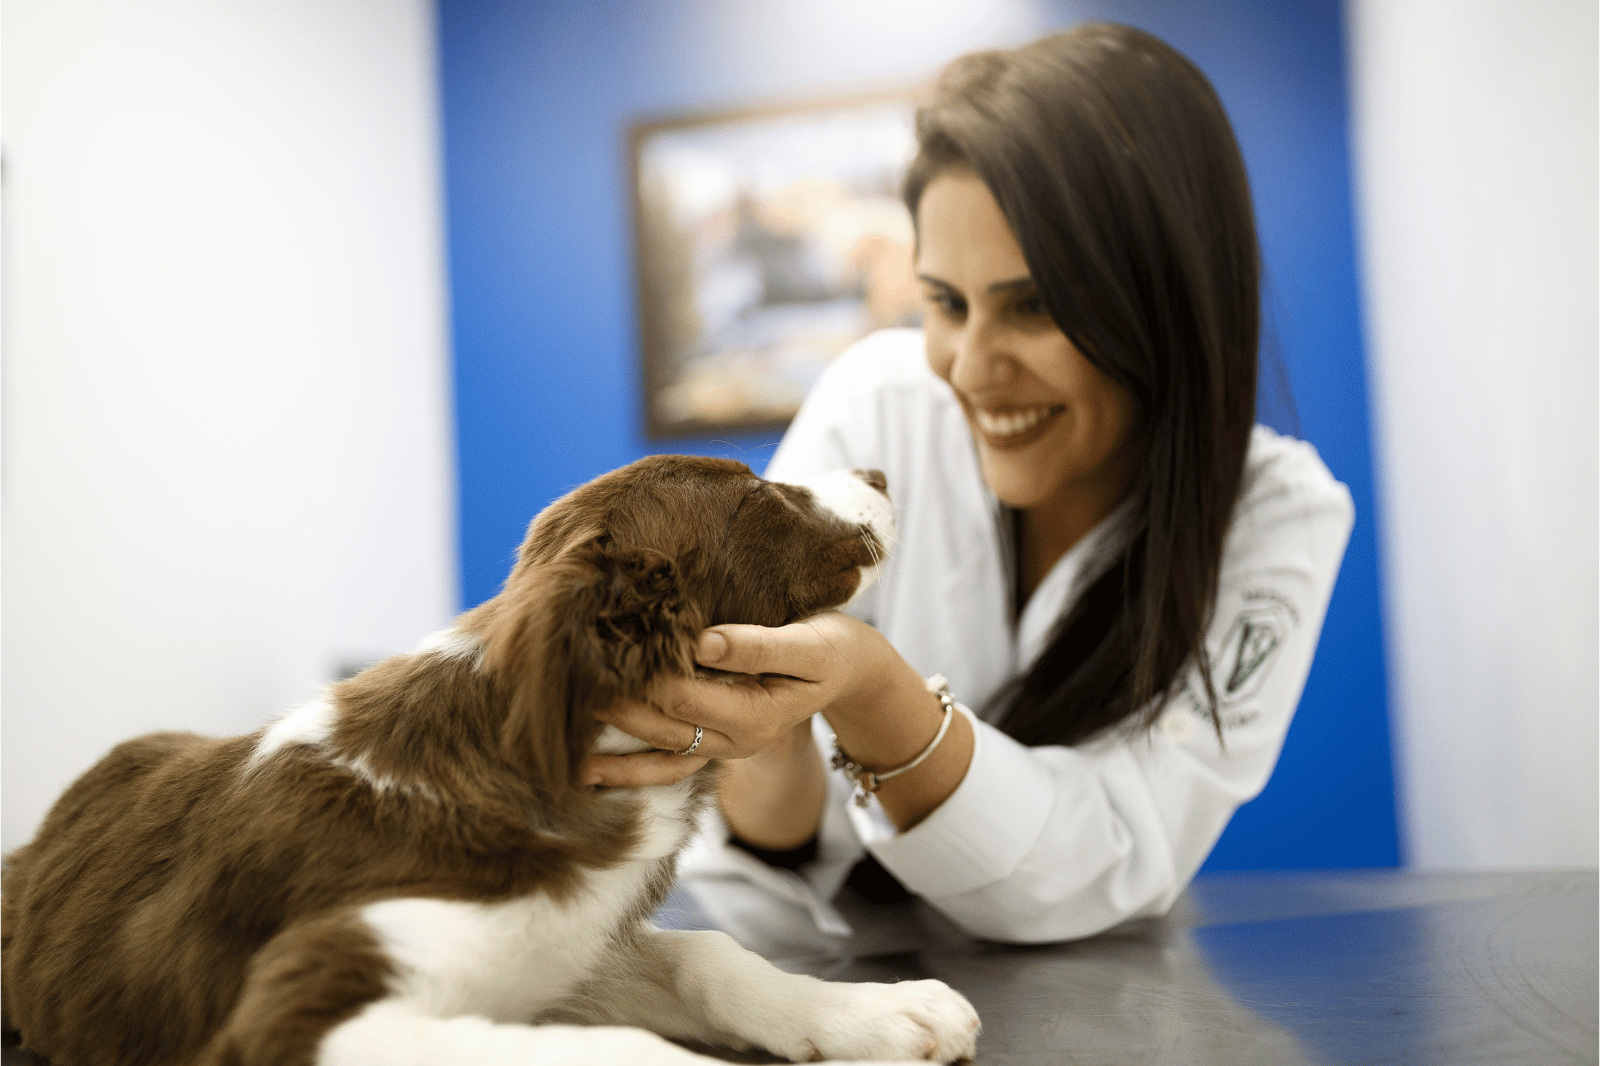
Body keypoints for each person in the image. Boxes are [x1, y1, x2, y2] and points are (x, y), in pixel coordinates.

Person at [584, 23, 1354, 944]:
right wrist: (765, 728)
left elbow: (1113, 851)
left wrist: (872, 690)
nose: (972, 367)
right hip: (813, 968)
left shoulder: (1275, 517)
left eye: (1033, 306)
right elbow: (772, 829)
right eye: (946, 303)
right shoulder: (878, 400)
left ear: (1165, 299)